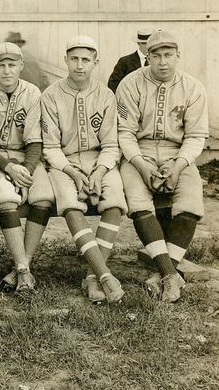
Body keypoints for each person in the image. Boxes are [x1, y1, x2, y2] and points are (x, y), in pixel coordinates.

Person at [116, 30, 208, 302]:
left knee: (191, 199)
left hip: (177, 153)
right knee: (138, 199)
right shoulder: (130, 84)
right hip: (139, 154)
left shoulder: (193, 87)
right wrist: (142, 167)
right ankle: (171, 275)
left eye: (168, 55)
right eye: (155, 55)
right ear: (147, 56)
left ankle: (163, 272)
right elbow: (125, 133)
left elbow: (195, 136)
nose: (163, 61)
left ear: (178, 56)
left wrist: (178, 166)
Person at [40, 36, 126, 304]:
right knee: (71, 205)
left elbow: (112, 144)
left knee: (114, 205)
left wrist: (99, 172)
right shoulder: (51, 95)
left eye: (86, 60)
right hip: (64, 162)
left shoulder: (106, 95)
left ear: (95, 62)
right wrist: (74, 173)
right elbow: (50, 147)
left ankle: (92, 275)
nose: (79, 65)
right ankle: (105, 275)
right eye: (74, 59)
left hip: (99, 159)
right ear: (65, 60)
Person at [0, 42, 54, 294]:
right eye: (1, 65)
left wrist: (27, 171)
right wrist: (9, 169)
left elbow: (35, 142)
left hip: (26, 158)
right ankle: (23, 270)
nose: (7, 70)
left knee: (43, 197)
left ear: (21, 66)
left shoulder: (32, 92)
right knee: (5, 198)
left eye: (12, 64)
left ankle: (23, 265)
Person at [107, 28, 153, 93]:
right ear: (138, 43)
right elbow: (113, 85)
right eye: (143, 43)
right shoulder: (125, 61)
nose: (147, 46)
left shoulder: (156, 61)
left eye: (149, 43)